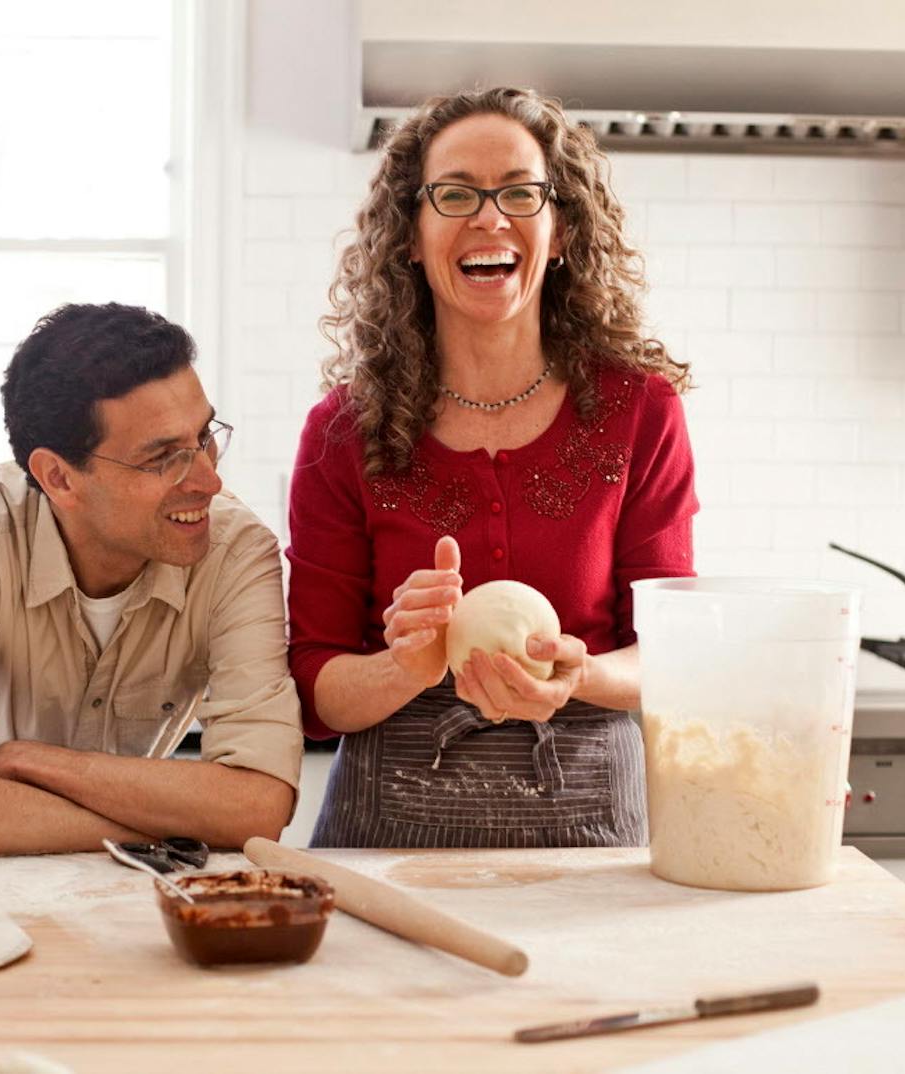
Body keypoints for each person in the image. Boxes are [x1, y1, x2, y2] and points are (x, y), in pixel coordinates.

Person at [287, 87, 697, 848]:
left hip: (592, 843)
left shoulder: (640, 411)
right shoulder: (342, 432)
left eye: (519, 191)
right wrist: (404, 666)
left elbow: (674, 651)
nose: (489, 216)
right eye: (455, 194)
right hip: (389, 849)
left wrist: (580, 674)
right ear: (407, 235)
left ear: (562, 228)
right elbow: (316, 684)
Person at [0, 303, 302, 858]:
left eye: (204, 437)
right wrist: (183, 825)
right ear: (58, 478)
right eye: (163, 458)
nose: (209, 480)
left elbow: (256, 808)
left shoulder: (237, 550)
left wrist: (29, 761)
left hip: (65, 843)